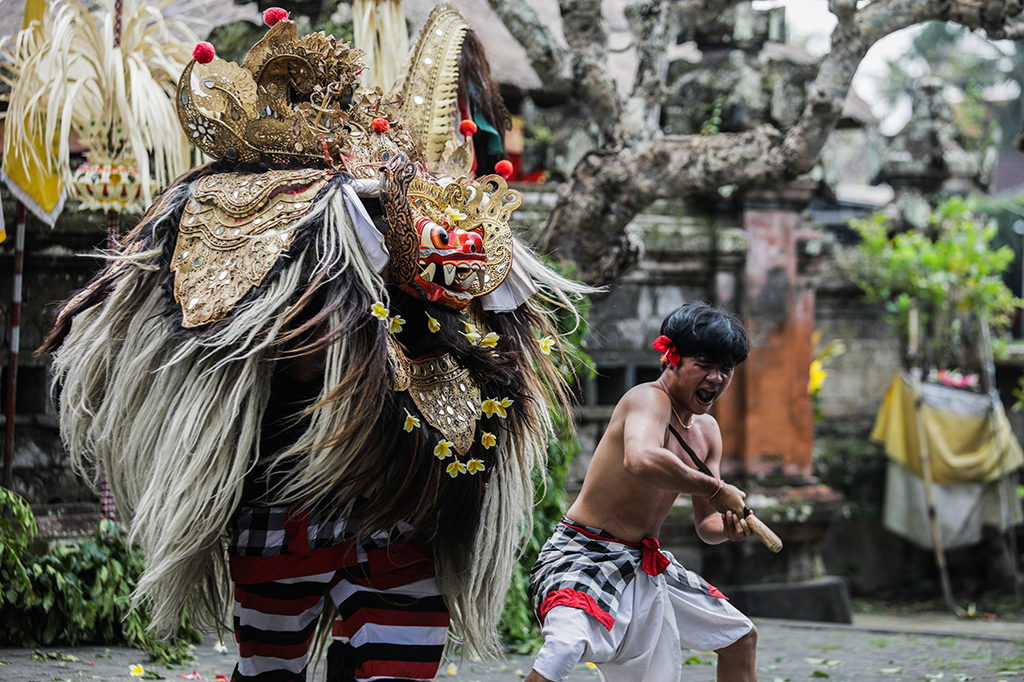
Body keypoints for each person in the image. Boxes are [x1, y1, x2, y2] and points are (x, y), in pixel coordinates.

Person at [526, 301, 758, 682]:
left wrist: (728, 527)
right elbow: (641, 459)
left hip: (644, 563)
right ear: (671, 357)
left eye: (726, 369)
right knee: (566, 646)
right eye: (705, 365)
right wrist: (717, 488)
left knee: (740, 637)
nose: (716, 378)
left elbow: (707, 524)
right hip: (584, 553)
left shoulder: (706, 431)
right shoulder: (647, 399)